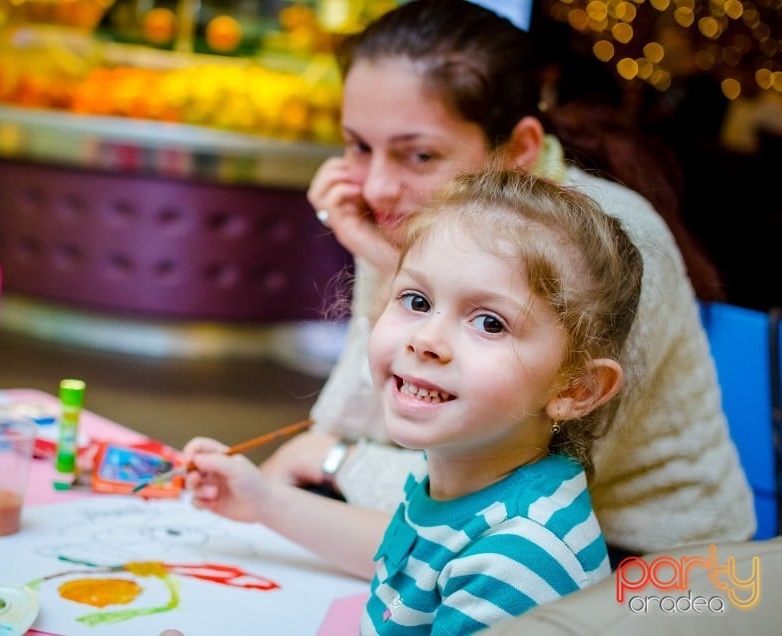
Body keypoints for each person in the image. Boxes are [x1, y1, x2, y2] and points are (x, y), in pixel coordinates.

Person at [260, 0, 755, 559]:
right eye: (358, 146)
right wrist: (382, 264)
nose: (374, 188)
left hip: (650, 569)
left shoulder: (608, 248)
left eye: (418, 154)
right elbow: (361, 419)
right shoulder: (424, 218)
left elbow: (505, 487)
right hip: (481, 527)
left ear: (519, 148)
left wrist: (331, 460)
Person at [182, 168, 643, 633]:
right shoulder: (472, 476)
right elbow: (406, 554)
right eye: (417, 301)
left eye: (489, 323)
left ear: (575, 389)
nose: (426, 339)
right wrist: (262, 502)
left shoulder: (518, 562)